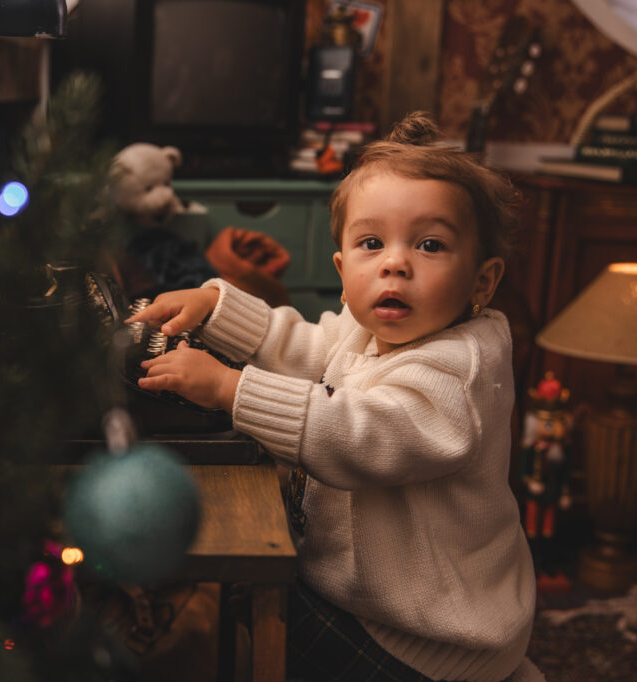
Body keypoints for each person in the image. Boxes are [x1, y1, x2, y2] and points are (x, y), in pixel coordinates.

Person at [127, 111, 536, 681]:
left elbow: (363, 433)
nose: (395, 262)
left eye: (430, 245)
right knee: (236, 600)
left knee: (230, 608)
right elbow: (310, 346)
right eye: (372, 243)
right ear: (343, 271)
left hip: (430, 640)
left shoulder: (458, 368)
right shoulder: (373, 328)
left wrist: (229, 388)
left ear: (482, 281)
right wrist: (216, 307)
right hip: (373, 603)